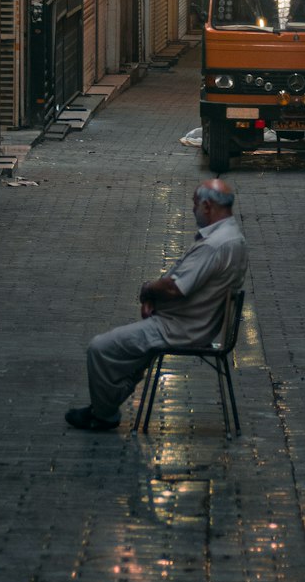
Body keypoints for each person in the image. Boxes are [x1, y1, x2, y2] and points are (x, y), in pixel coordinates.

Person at [65, 178, 248, 432]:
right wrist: (154, 297)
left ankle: (104, 414)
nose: (192, 209)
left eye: (194, 204)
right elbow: (180, 281)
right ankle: (107, 401)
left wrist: (148, 289)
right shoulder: (228, 237)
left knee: (99, 348)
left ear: (207, 206)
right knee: (125, 351)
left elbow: (175, 286)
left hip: (180, 328)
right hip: (184, 322)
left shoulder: (216, 245)